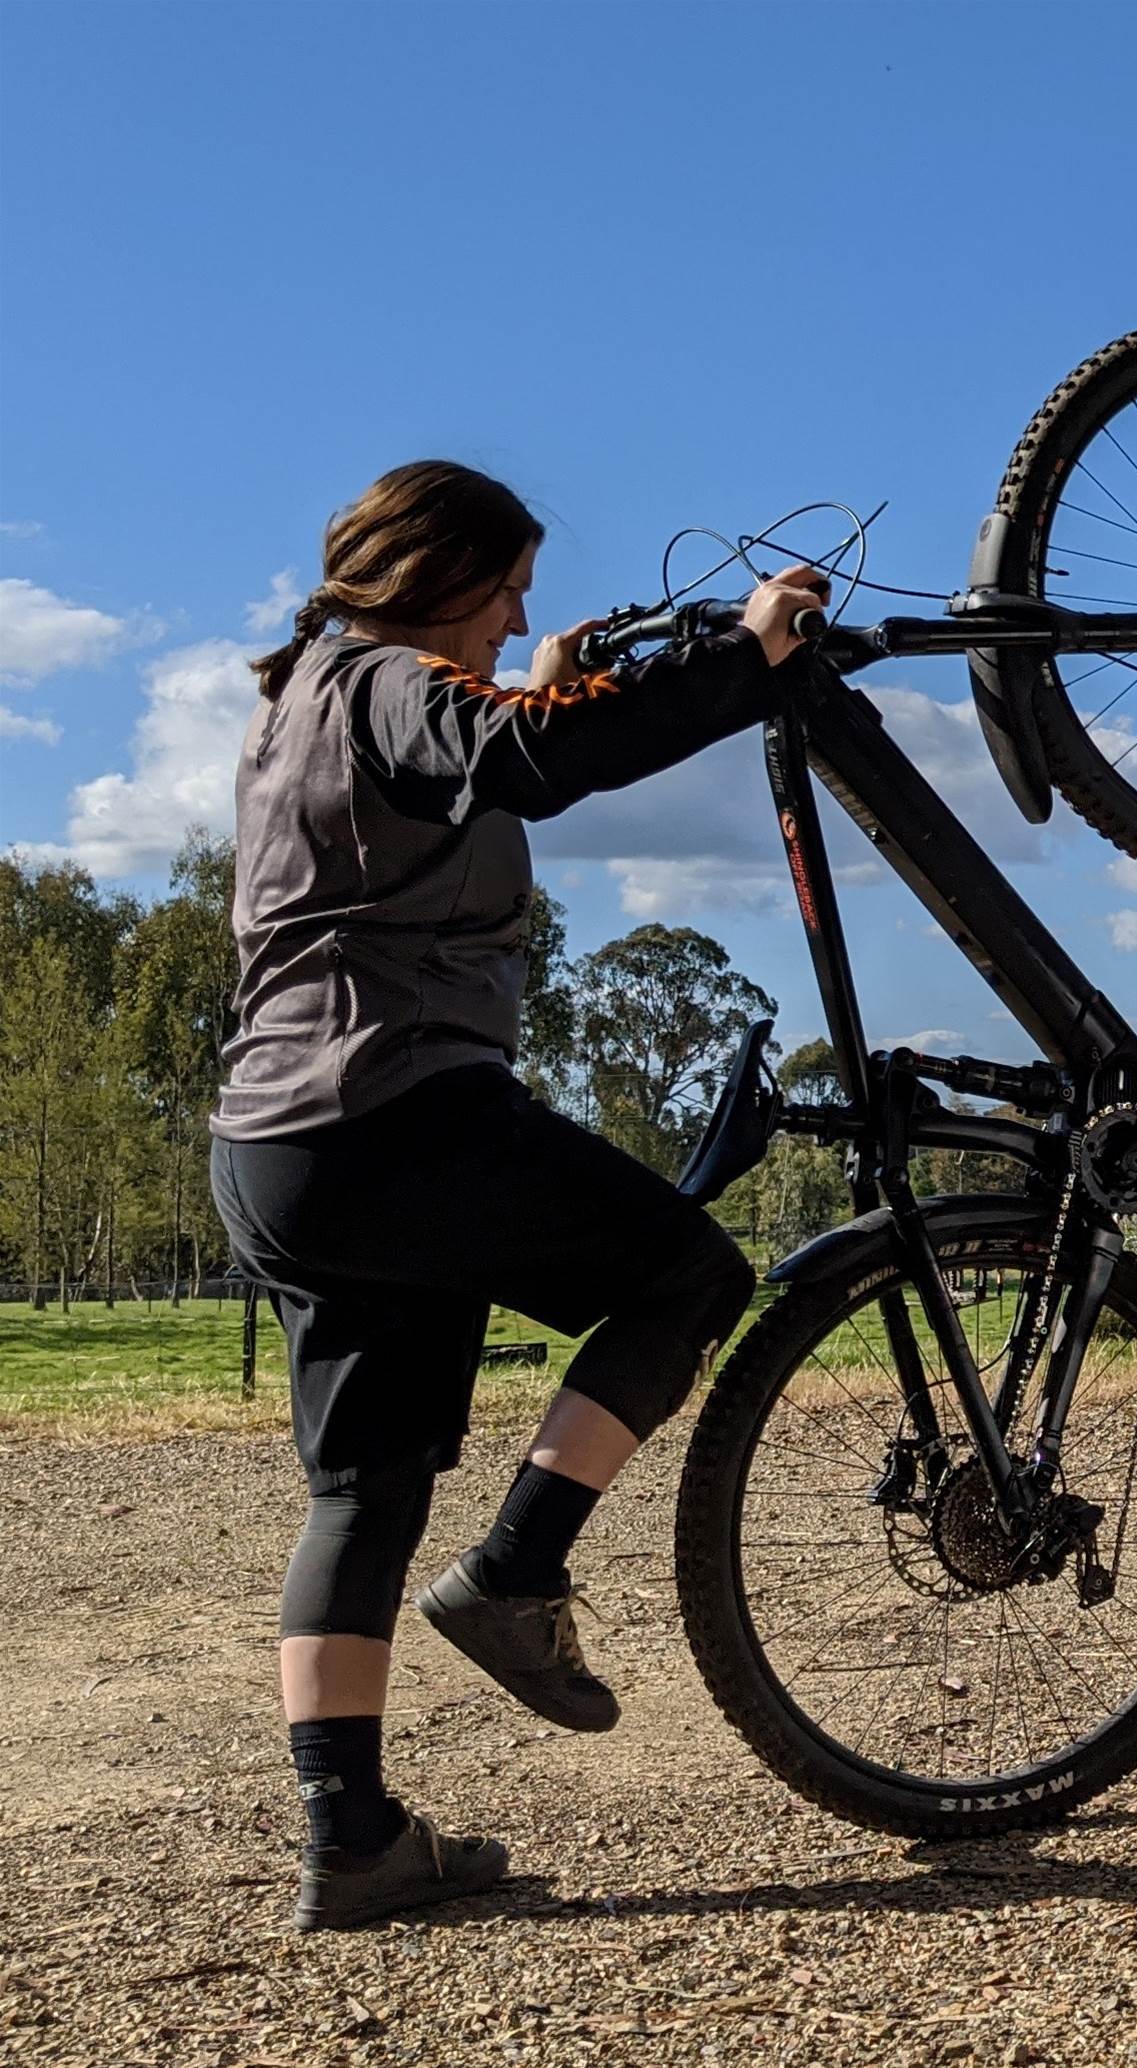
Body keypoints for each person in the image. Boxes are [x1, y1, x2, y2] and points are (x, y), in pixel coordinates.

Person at [207, 460, 825, 1930]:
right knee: (686, 1277)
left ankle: (351, 1843)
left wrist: (541, 688)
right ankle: (517, 1572)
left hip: (279, 1150)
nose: (520, 613)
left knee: (363, 1491)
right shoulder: (386, 683)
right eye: (506, 589)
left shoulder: (304, 694)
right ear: (435, 578)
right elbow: (530, 760)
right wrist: (749, 659)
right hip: (393, 1112)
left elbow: (489, 752)